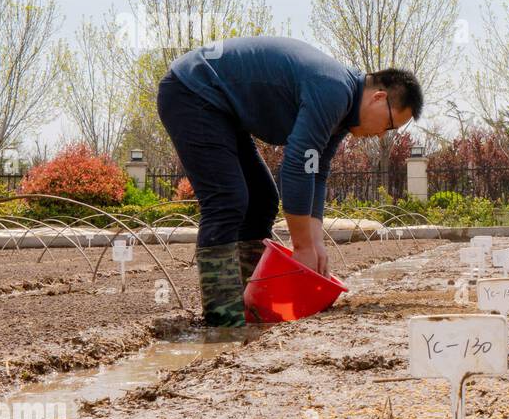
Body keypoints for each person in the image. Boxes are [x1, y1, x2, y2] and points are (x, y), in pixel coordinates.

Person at [157, 36, 422, 327]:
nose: (383, 134)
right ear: (378, 97)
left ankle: (248, 302)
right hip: (193, 91)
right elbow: (296, 165)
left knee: (261, 201)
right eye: (388, 124)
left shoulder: (342, 111)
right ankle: (222, 319)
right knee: (227, 200)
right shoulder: (334, 89)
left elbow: (317, 170)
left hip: (221, 108)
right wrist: (302, 247)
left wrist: (316, 241)